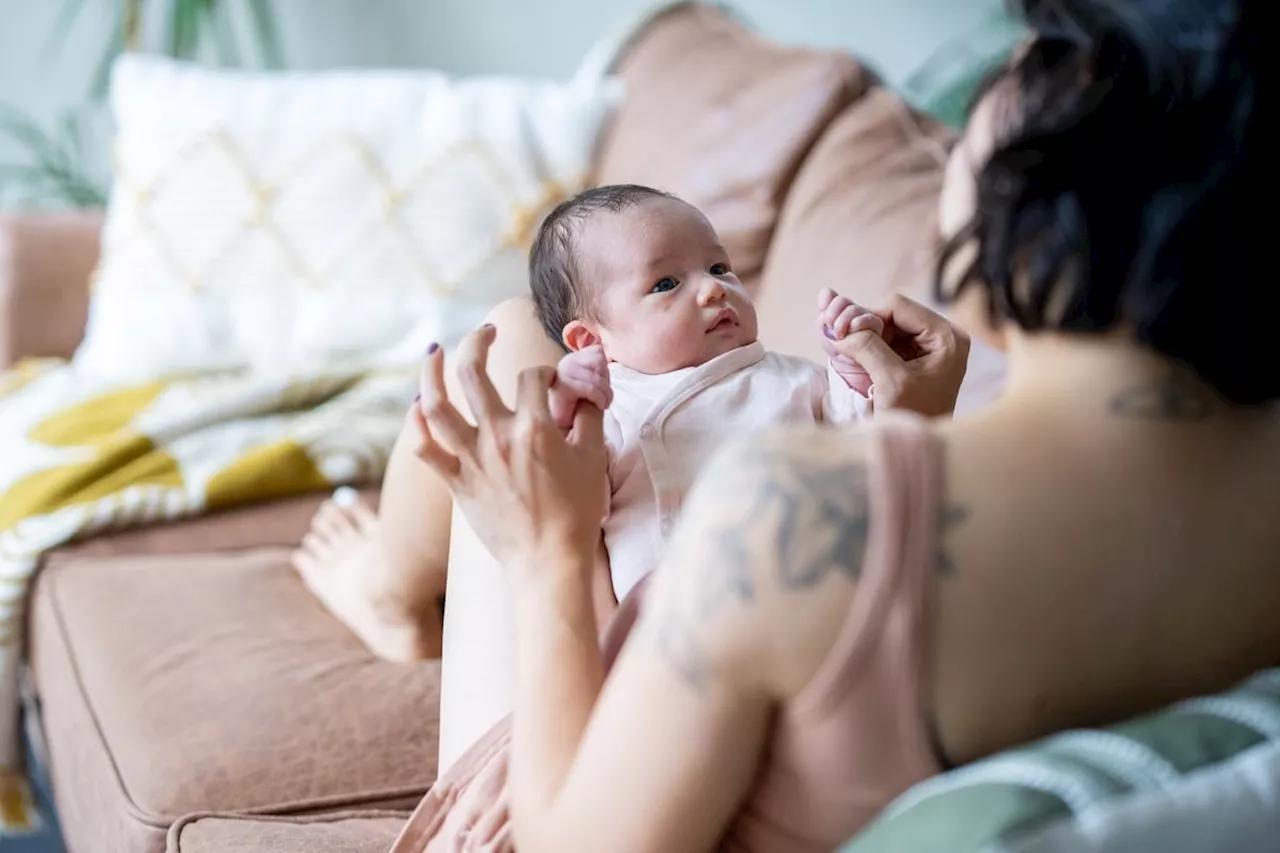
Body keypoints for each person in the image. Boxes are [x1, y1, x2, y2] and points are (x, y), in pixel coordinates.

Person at [379, 0, 1279, 850]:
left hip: (568, 800)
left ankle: (385, 586)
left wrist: (548, 556)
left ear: (1045, 194)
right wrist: (910, 427)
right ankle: (386, 584)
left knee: (501, 344)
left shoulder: (789, 518)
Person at [534, 183, 889, 606]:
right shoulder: (610, 408)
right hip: (663, 628)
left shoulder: (792, 379)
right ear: (592, 341)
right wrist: (566, 408)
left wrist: (854, 371)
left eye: (719, 267)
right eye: (666, 283)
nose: (713, 289)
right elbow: (566, 497)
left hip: (803, 591)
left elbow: (867, 442)